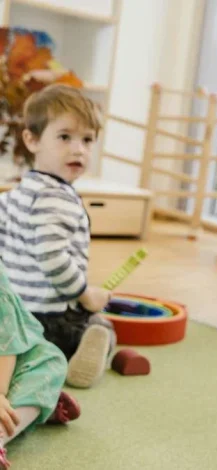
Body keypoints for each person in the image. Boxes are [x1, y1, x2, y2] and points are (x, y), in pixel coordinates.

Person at [0, 85, 115, 389]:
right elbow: (52, 257)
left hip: (11, 316)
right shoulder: (57, 198)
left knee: (15, 343)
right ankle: (75, 353)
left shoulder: (15, 194)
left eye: (87, 140)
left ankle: (17, 358)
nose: (79, 149)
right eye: (65, 137)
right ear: (32, 140)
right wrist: (85, 294)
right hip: (50, 317)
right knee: (101, 325)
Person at [0, 262, 81, 470]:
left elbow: (7, 342)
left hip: (8, 364)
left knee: (49, 362)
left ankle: (17, 418)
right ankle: (36, 407)